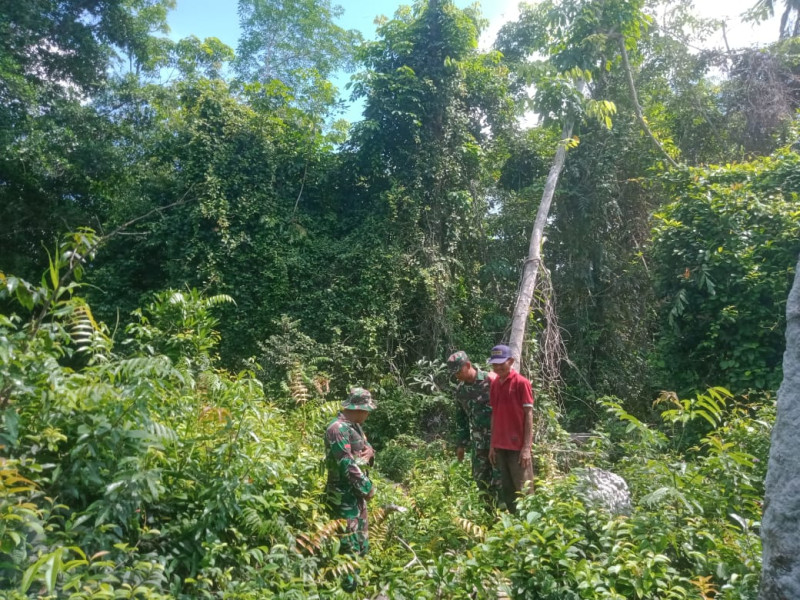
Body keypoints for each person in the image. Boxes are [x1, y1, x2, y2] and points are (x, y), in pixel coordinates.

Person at [324, 386, 377, 591]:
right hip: (343, 497)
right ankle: (345, 591)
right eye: (367, 410)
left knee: (362, 546)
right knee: (349, 546)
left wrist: (370, 453)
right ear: (358, 408)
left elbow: (365, 450)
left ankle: (359, 589)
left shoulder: (354, 426)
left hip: (356, 498)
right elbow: (345, 463)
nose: (368, 414)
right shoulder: (336, 429)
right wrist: (367, 487)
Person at [447, 350, 500, 509]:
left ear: (468, 365)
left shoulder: (491, 380)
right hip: (478, 445)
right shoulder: (460, 391)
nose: (457, 376)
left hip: (498, 441)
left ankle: (505, 518)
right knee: (481, 480)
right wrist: (461, 445)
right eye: (454, 373)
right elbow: (461, 420)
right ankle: (488, 517)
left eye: (459, 371)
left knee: (500, 480)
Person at [487, 344, 535, 514]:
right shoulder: (494, 384)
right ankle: (515, 530)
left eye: (502, 363)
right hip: (500, 447)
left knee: (524, 490)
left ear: (511, 361)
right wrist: (493, 444)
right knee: (507, 491)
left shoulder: (522, 383)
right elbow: (495, 414)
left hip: (517, 448)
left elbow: (528, 414)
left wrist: (526, 447)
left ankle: (532, 530)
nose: (498, 367)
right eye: (495, 364)